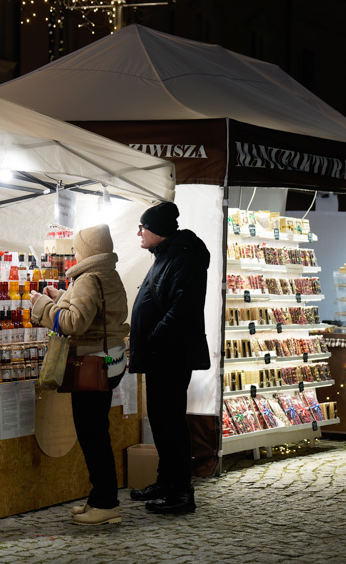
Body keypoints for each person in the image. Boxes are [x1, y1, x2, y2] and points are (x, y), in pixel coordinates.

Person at [30, 224, 130, 526]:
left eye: (77, 248)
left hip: (91, 364)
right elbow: (95, 312)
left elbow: (74, 323)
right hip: (111, 360)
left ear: (86, 250)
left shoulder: (88, 278)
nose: (75, 252)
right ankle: (99, 497)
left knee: (92, 436)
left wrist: (44, 306)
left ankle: (106, 503)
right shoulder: (107, 275)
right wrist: (62, 295)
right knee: (96, 432)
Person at [128, 202, 210, 514]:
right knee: (161, 421)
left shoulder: (183, 256)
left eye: (143, 227)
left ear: (158, 230)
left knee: (171, 422)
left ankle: (181, 493)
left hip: (170, 355)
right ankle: (166, 481)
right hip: (159, 355)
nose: (139, 232)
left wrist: (154, 338)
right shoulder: (166, 255)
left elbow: (183, 309)